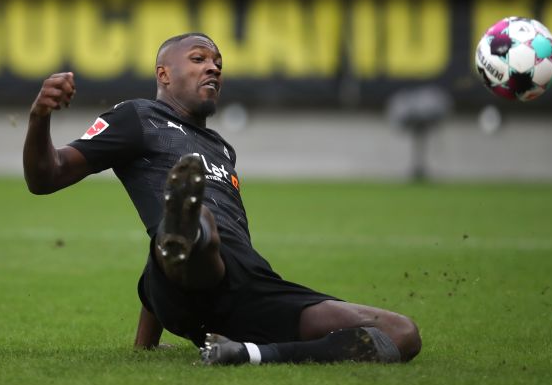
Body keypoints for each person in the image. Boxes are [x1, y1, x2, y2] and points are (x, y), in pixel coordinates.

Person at [23, 33, 421, 365]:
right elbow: (47, 176)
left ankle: (248, 354)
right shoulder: (137, 117)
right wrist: (40, 117)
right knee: (195, 225)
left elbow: (162, 254)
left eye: (218, 63)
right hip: (191, 275)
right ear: (164, 74)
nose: (213, 67)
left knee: (402, 333)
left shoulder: (222, 148)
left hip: (249, 289)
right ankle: (190, 227)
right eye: (199, 59)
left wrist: (146, 345)